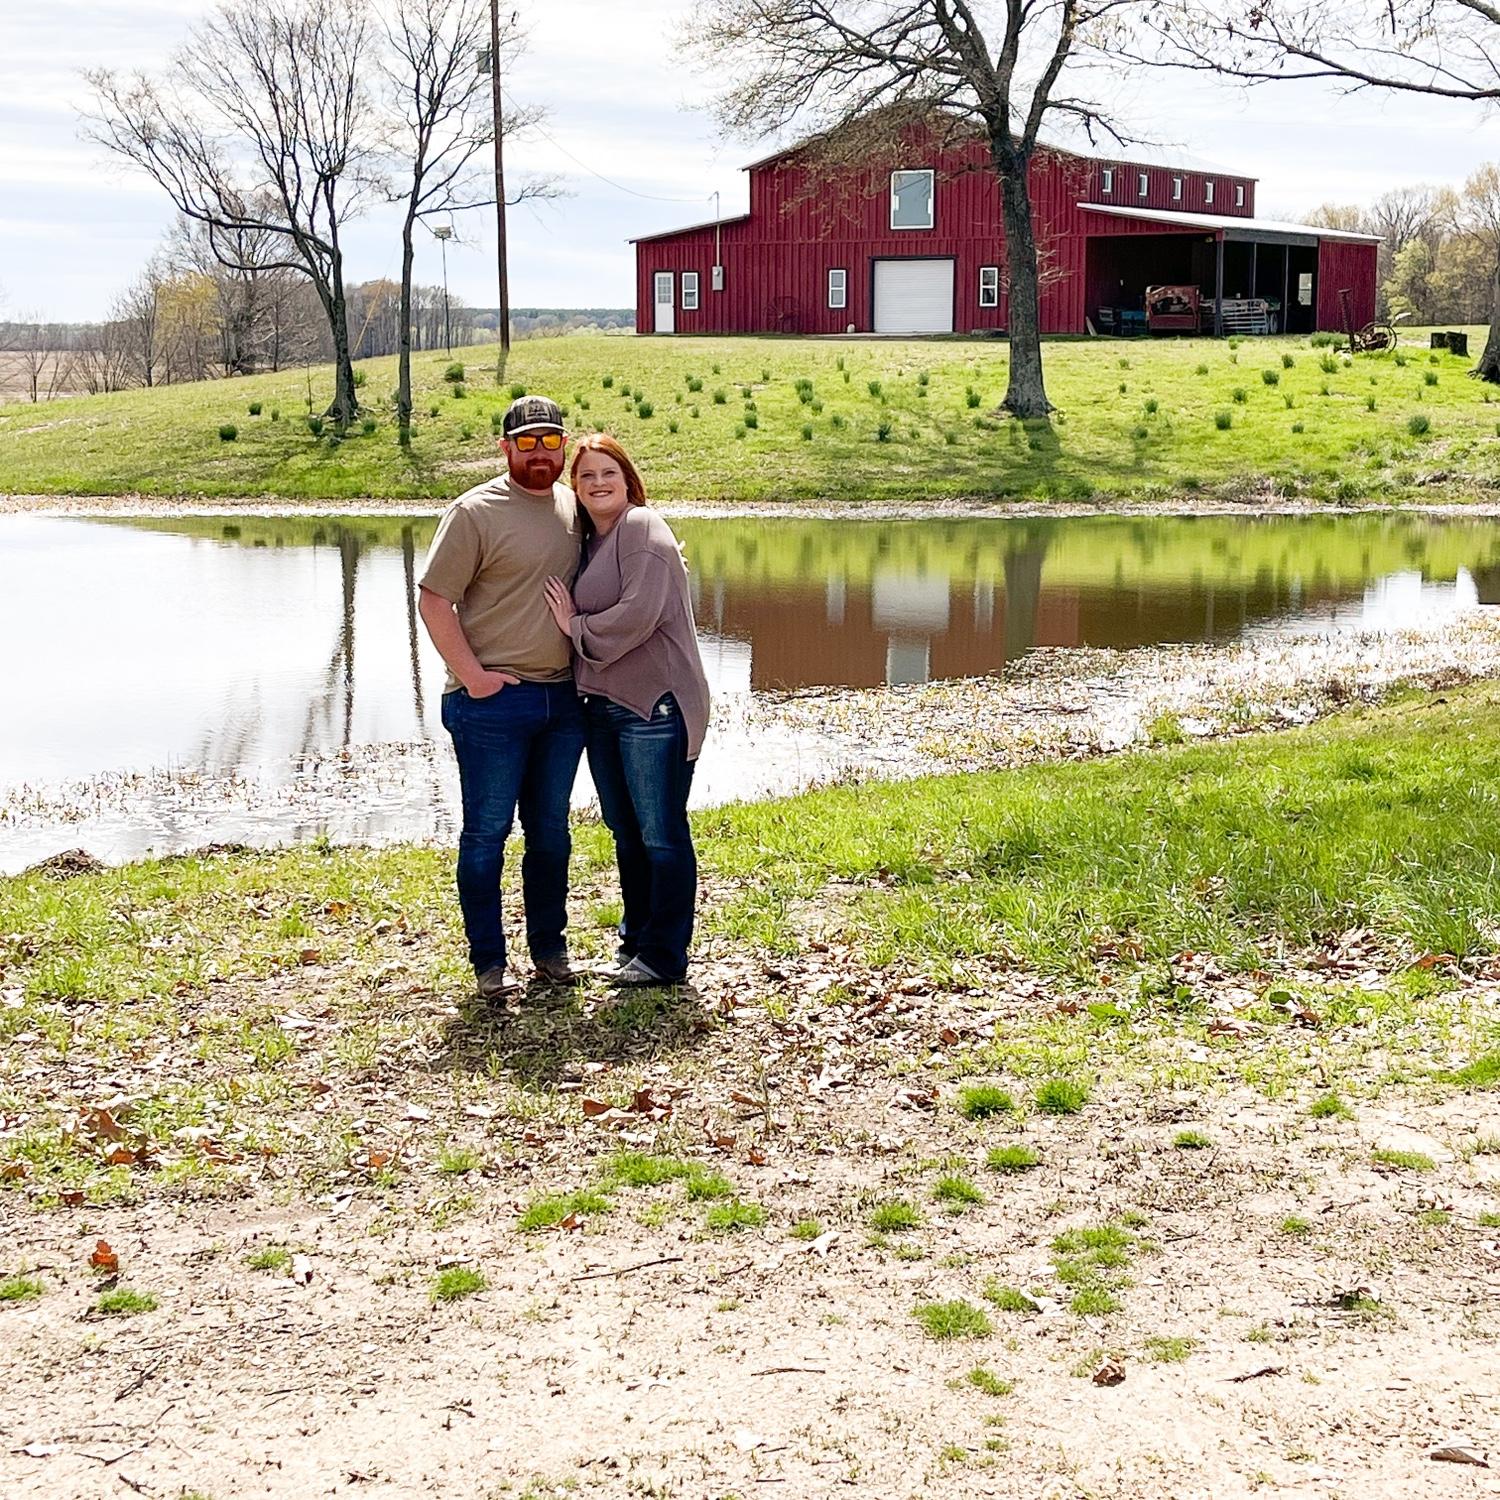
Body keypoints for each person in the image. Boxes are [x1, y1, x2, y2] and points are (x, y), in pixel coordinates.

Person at [418, 395, 583, 1002]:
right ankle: (489, 962)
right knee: (487, 834)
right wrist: (475, 677)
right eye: (527, 441)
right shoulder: (474, 512)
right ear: (505, 447)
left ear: (564, 445)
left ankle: (550, 950)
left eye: (550, 440)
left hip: (563, 701)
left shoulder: (576, 507)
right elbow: (434, 600)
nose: (540, 452)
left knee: (551, 833)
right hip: (491, 703)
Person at [543, 434, 709, 986]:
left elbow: (639, 613)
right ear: (574, 487)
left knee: (660, 832)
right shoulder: (593, 541)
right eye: (586, 475)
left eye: (607, 472)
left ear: (627, 479)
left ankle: (664, 956)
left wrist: (575, 627)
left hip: (653, 706)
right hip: (603, 707)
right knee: (627, 831)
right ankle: (636, 942)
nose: (597, 483)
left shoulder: (641, 527)